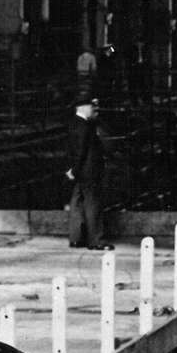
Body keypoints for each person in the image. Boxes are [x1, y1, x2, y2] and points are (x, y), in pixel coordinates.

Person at [67, 96, 111, 250]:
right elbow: (81, 151)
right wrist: (75, 170)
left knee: (77, 203)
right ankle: (96, 240)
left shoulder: (74, 123)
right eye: (91, 106)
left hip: (80, 171)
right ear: (82, 107)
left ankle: (76, 238)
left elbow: (72, 150)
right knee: (93, 205)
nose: (94, 109)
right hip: (89, 171)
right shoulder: (85, 126)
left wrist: (72, 169)